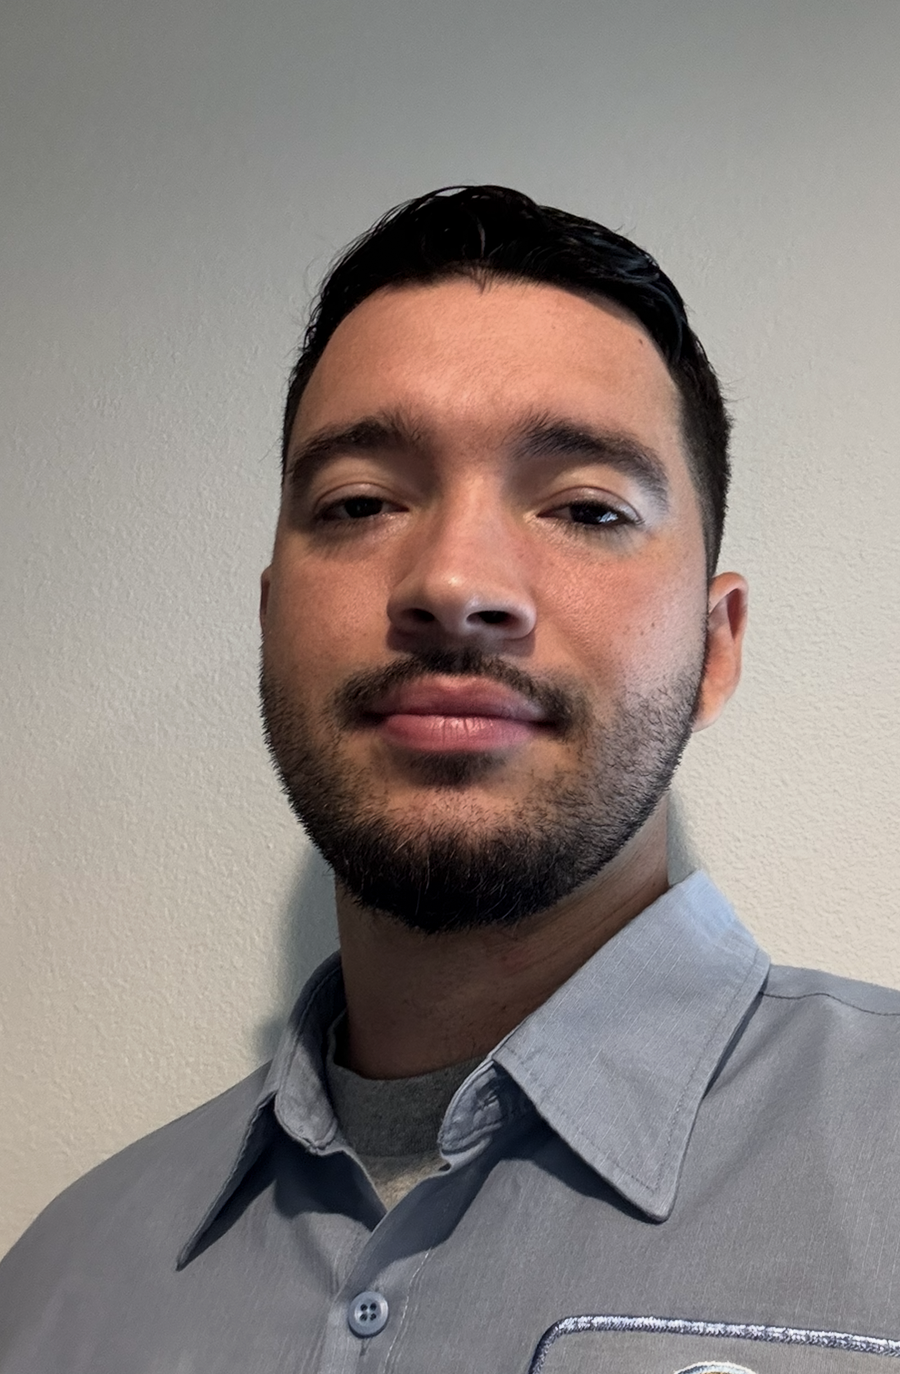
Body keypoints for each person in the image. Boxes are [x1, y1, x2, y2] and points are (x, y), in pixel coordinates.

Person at [2, 185, 900, 1374]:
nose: (455, 581)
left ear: (714, 647)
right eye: (361, 501)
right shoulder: (62, 1286)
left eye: (585, 507)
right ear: (274, 624)